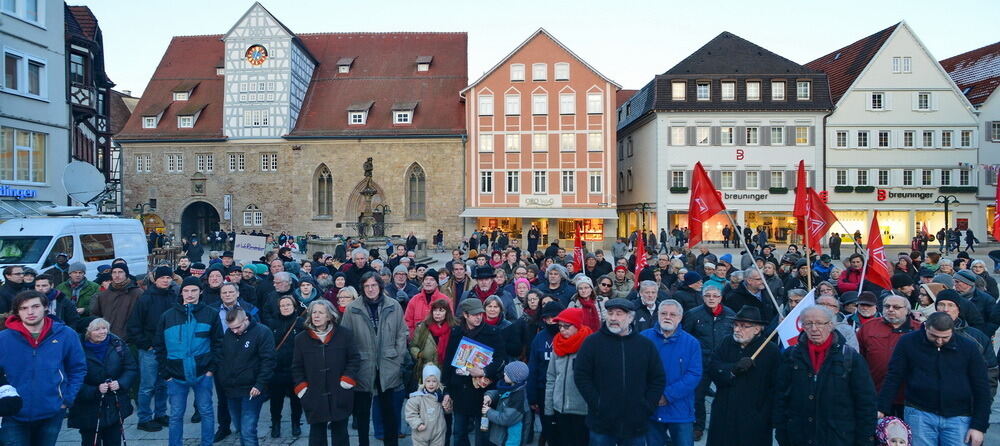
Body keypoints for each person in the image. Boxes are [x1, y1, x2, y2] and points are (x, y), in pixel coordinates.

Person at [877, 312, 990, 446]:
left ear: (952, 331)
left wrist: (979, 426)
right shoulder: (908, 342)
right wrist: (881, 407)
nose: (939, 341)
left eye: (945, 337)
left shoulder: (968, 347)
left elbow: (981, 387)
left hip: (959, 416)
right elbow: (894, 376)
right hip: (919, 413)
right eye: (934, 336)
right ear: (925, 327)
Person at [774, 306, 877, 446]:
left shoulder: (850, 357)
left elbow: (866, 404)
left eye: (819, 323)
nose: (814, 328)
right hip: (799, 437)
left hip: (839, 437)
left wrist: (864, 440)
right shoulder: (791, 356)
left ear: (831, 325)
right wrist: (782, 434)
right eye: (808, 323)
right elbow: (781, 398)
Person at [573, 298, 666, 445]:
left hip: (635, 423)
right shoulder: (592, 342)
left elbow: (657, 378)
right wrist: (597, 403)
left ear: (630, 318)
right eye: (610, 313)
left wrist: (646, 406)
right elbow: (581, 375)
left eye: (619, 314)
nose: (613, 318)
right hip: (601, 422)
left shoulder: (645, 345)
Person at [0, 290, 87, 446]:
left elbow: (77, 368)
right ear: (17, 312)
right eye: (24, 308)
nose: (30, 312)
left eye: (35, 306)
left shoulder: (66, 334)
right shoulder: (4, 338)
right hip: (12, 414)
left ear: (46, 307)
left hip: (52, 411)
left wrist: (66, 399)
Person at [338, 272, 407, 446]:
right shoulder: (353, 308)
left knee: (389, 412)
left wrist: (397, 358)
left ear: (380, 286)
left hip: (388, 364)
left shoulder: (394, 306)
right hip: (362, 366)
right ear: (362, 288)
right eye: (367, 286)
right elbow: (345, 339)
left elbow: (401, 333)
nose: (370, 289)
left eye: (374, 285)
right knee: (361, 414)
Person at [155, 276, 223, 446]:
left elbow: (218, 344)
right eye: (186, 290)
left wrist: (210, 370)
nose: (190, 294)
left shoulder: (210, 314)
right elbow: (159, 346)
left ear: (200, 291)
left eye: (194, 290)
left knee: (206, 412)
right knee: (176, 415)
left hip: (202, 374)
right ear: (181, 292)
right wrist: (166, 373)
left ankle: (207, 443)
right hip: (175, 375)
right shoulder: (167, 316)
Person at [706, 306, 779, 446]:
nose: (737, 329)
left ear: (757, 329)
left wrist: (767, 415)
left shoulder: (770, 350)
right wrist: (733, 369)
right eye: (736, 325)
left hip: (754, 416)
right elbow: (713, 368)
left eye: (744, 326)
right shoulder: (727, 342)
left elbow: (776, 386)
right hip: (725, 413)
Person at [293, 299, 361, 446]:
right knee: (316, 434)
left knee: (340, 433)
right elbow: (296, 367)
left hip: (339, 391)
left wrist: (347, 379)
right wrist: (302, 388)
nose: (316, 316)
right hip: (313, 393)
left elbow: (354, 359)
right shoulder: (301, 339)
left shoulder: (344, 335)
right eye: (313, 313)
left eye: (321, 313)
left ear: (330, 316)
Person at [441, 298, 508, 446]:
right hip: (460, 390)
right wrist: (446, 389)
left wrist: (484, 371)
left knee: (483, 435)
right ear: (465, 315)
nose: (478, 317)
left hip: (483, 392)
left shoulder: (492, 332)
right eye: (474, 314)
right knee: (459, 433)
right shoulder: (456, 332)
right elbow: (448, 361)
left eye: (480, 313)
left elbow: (501, 359)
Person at [67, 318, 137, 446]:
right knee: (91, 441)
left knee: (114, 440)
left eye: (104, 328)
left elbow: (130, 368)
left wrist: (120, 383)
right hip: (88, 408)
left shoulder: (117, 344)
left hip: (114, 404)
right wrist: (95, 390)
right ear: (87, 332)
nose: (102, 332)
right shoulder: (75, 349)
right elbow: (71, 378)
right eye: (97, 329)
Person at [641, 299, 701, 446]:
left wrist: (668, 395)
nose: (667, 317)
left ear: (680, 318)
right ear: (658, 315)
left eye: (672, 314)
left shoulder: (691, 343)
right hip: (651, 409)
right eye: (664, 313)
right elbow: (636, 370)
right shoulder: (643, 338)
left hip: (680, 410)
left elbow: (694, 374)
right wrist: (651, 395)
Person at [681, 285, 733, 440]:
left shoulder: (730, 315)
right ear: (703, 297)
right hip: (700, 362)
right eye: (708, 295)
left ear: (721, 297)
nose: (711, 299)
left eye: (715, 296)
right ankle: (698, 426)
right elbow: (686, 337)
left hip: (723, 363)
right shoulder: (693, 314)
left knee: (726, 396)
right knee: (698, 396)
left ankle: (724, 424)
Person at [218, 308, 275, 446]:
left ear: (246, 320)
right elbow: (223, 358)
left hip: (252, 389)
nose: (235, 331)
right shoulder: (229, 333)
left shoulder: (262, 332)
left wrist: (259, 384)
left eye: (237, 327)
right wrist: (223, 378)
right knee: (240, 427)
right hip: (232, 389)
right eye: (231, 328)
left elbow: (268, 361)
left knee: (248, 429)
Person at [857, 295, 921, 417]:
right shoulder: (868, 327)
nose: (890, 309)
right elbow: (859, 358)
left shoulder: (919, 330)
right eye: (887, 306)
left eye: (896, 307)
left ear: (907, 310)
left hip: (909, 398)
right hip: (876, 392)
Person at [545, 308, 592, 446]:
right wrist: (549, 408)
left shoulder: (589, 345)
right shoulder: (558, 345)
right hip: (560, 408)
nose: (562, 330)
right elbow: (551, 377)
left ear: (577, 325)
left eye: (567, 326)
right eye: (560, 326)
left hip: (582, 409)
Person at [527, 301, 563, 446]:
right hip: (543, 389)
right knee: (548, 426)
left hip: (563, 390)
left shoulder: (569, 334)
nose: (550, 321)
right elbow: (533, 367)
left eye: (554, 318)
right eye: (547, 318)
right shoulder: (540, 337)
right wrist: (532, 396)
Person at [89, 263, 143, 340]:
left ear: (126, 274)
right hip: (108, 338)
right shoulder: (103, 295)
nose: (117, 275)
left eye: (120, 272)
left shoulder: (137, 293)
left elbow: (144, 317)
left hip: (131, 340)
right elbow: (95, 315)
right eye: (114, 272)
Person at [482, 361, 531, 446]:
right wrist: (490, 396)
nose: (504, 373)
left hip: (510, 441)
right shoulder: (512, 388)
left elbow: (506, 419)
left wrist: (489, 411)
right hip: (502, 437)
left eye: (507, 373)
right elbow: (501, 393)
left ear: (515, 378)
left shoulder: (518, 398)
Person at [405, 364, 448, 446]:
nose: (431, 384)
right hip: (421, 433)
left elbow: (448, 411)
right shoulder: (417, 397)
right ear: (424, 382)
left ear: (438, 383)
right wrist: (417, 424)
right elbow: (410, 413)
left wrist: (447, 406)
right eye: (428, 381)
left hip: (438, 432)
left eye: (434, 381)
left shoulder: (440, 396)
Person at [405, 271, 452, 336]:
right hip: (418, 340)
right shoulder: (414, 300)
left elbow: (450, 321)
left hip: (439, 340)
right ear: (423, 282)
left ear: (437, 283)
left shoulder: (445, 300)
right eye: (426, 279)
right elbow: (408, 322)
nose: (428, 282)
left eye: (432, 280)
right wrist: (412, 337)